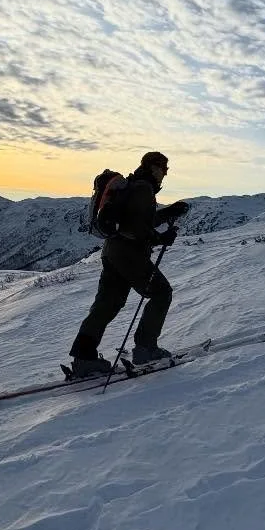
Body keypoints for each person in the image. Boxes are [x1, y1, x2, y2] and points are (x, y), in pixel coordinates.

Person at [67, 151, 190, 379]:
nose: (165, 173)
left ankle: (84, 358)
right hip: (129, 254)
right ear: (153, 167)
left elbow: (138, 219)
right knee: (161, 293)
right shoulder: (144, 189)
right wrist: (161, 238)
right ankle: (146, 349)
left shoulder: (133, 186)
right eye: (163, 168)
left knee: (107, 305)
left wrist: (168, 213)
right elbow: (137, 229)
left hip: (112, 252)